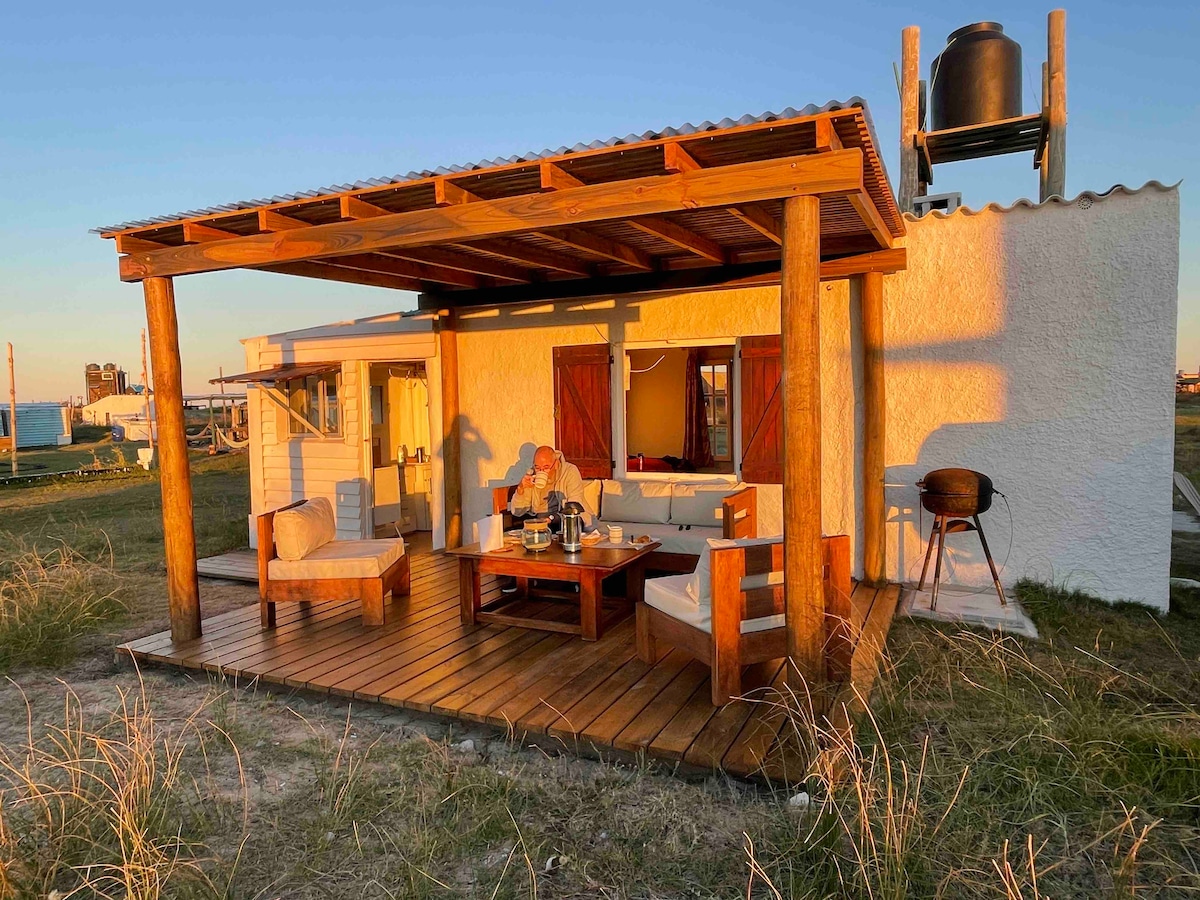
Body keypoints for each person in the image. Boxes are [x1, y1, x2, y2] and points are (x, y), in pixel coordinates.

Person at [509, 445, 592, 530]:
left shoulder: (569, 472)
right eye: (537, 467)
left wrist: (552, 518)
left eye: (546, 467)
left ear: (556, 464)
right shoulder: (532, 476)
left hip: (565, 518)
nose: (541, 472)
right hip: (540, 521)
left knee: (572, 524)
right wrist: (521, 489)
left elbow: (573, 506)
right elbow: (517, 512)